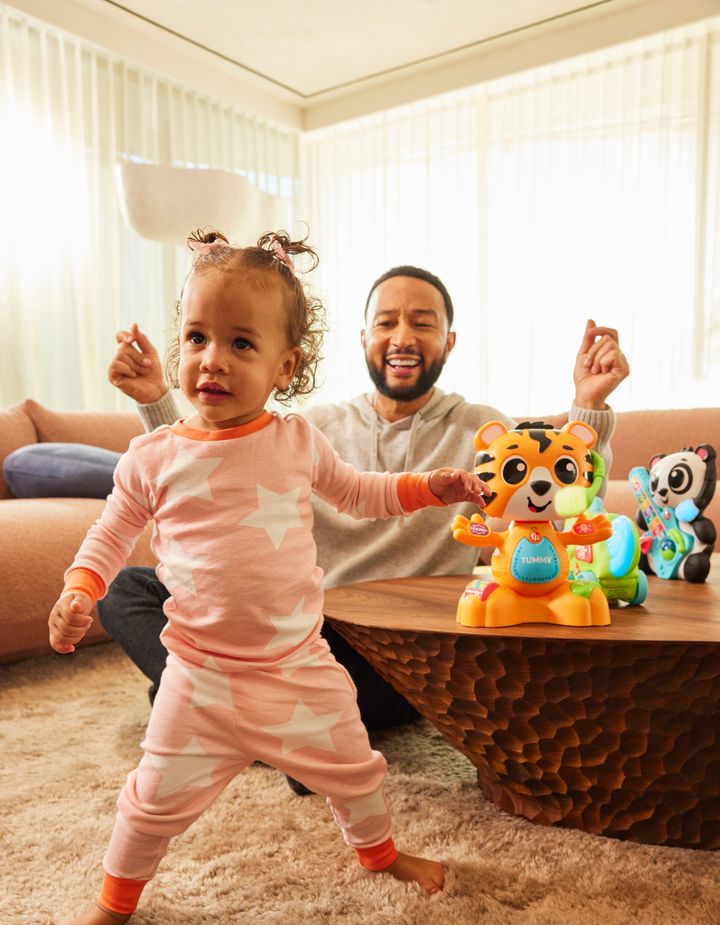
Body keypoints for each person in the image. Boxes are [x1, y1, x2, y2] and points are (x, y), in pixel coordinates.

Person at [47, 229, 490, 925]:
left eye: (241, 344)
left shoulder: (297, 439)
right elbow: (111, 530)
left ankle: (379, 855)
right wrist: (77, 587)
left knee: (355, 768)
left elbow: (360, 493)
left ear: (286, 366)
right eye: (196, 336)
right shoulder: (153, 455)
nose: (212, 358)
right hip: (200, 673)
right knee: (150, 798)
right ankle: (112, 901)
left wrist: (428, 486)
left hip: (297, 664)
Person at [102, 265, 629, 796]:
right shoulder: (314, 428)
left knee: (338, 692)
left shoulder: (483, 429)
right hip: (298, 629)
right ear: (364, 340)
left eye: (422, 324)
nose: (402, 337)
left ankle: (213, 710)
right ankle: (244, 714)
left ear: (448, 342)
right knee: (126, 589)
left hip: (393, 657)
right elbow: (204, 463)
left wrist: (590, 405)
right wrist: (155, 402)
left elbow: (554, 513)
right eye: (386, 322)